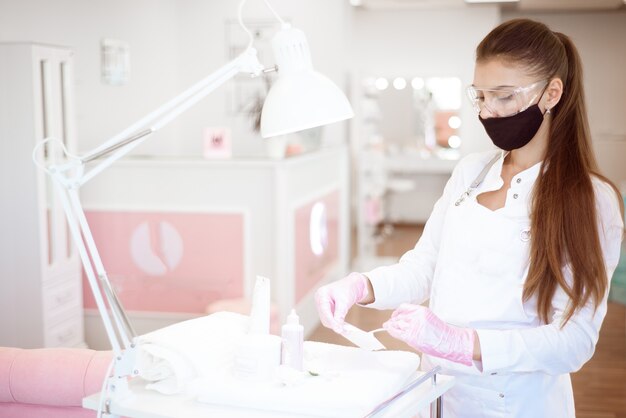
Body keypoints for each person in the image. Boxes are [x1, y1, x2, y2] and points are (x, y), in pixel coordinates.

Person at [315, 18, 624, 418]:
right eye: (479, 96)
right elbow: (425, 267)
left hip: (514, 403)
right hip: (439, 392)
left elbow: (575, 341)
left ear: (551, 93)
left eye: (503, 96)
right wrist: (363, 286)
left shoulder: (591, 199)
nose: (488, 112)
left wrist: (465, 343)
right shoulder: (471, 172)